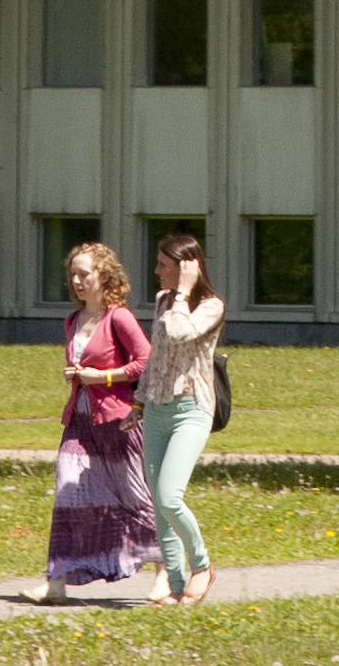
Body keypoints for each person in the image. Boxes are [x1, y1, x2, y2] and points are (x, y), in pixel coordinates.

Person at [24, 240, 158, 602]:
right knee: (68, 490)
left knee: (135, 496)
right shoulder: (73, 319)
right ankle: (56, 582)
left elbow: (145, 362)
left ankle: (165, 569)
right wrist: (76, 375)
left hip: (118, 421)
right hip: (79, 420)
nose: (78, 280)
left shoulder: (120, 317)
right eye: (73, 274)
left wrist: (105, 377)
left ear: (104, 275)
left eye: (85, 274)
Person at [142, 230, 224, 609]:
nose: (157, 271)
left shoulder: (210, 306)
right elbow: (156, 356)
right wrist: (139, 402)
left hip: (192, 409)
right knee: (158, 505)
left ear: (186, 267)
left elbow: (178, 333)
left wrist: (183, 293)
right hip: (157, 409)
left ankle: (202, 566)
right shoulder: (162, 301)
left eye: (164, 265)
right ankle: (175, 586)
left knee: (170, 497)